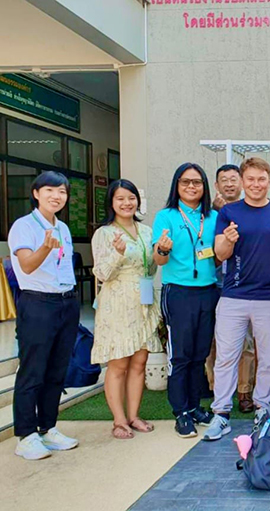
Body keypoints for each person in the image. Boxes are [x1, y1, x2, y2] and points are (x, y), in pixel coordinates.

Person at [204, 157, 270, 441]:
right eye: (251, 179)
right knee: (226, 357)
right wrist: (228, 240)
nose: (256, 184)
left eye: (262, 179)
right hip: (233, 295)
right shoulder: (229, 212)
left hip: (269, 296)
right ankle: (221, 414)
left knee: (267, 358)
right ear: (243, 182)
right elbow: (219, 253)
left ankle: (262, 408)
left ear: (269, 181)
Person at [10, 171, 80, 459]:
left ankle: (48, 427)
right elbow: (26, 266)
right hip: (37, 303)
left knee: (56, 369)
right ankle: (25, 435)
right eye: (50, 190)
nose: (57, 196)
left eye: (62, 191)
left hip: (66, 302)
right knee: (33, 369)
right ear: (36, 193)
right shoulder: (24, 226)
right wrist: (44, 247)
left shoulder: (62, 228)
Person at [91, 180, 162, 439]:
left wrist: (160, 253)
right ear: (111, 202)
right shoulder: (105, 233)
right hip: (117, 303)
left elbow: (151, 269)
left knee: (140, 361)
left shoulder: (146, 231)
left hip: (143, 301)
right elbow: (101, 273)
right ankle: (118, 420)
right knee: (118, 363)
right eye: (120, 198)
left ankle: (134, 415)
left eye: (131, 197)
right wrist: (117, 254)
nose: (126, 203)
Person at [153, 163, 219, 438]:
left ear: (204, 187)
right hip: (178, 292)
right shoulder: (166, 216)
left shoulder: (213, 216)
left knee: (200, 354)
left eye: (197, 182)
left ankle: (194, 407)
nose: (191, 187)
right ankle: (180, 412)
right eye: (185, 182)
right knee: (180, 356)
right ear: (176, 186)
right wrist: (162, 248)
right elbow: (158, 260)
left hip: (209, 291)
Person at [206, 163, 256, 414]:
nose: (229, 184)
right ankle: (217, 389)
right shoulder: (210, 215)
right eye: (223, 180)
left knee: (245, 341)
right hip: (212, 283)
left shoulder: (251, 211)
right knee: (215, 342)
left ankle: (245, 391)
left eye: (233, 179)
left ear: (242, 182)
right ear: (216, 185)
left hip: (242, 286)